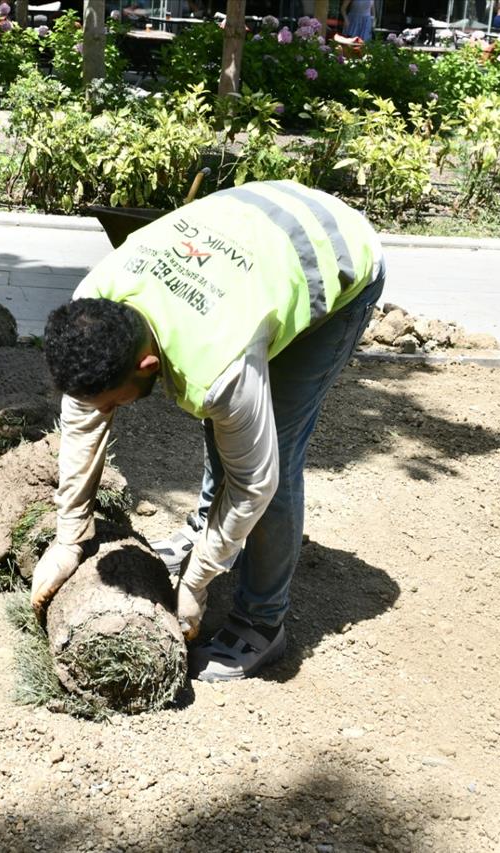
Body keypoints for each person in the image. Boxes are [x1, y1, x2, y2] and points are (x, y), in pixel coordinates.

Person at [32, 180, 385, 682]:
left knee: (274, 455)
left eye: (114, 402)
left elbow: (255, 482)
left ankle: (262, 624)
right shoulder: (94, 303)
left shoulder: (219, 367)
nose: (106, 411)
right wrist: (69, 537)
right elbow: (83, 419)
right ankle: (205, 530)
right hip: (250, 228)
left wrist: (198, 582)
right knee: (231, 426)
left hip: (334, 251)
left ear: (149, 363)